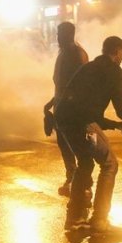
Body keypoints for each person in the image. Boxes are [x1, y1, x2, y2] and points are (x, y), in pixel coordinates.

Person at [55, 36, 122, 234]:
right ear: (117, 51)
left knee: (85, 163)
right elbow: (121, 107)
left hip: (64, 119)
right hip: (81, 123)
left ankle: (74, 218)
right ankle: (100, 220)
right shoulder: (114, 71)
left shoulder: (88, 68)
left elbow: (90, 111)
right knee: (110, 164)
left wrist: (117, 125)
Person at [43, 22, 89, 196]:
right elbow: (61, 85)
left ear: (69, 35)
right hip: (61, 108)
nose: (57, 37)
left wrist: (70, 105)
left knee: (77, 147)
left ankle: (83, 184)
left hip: (72, 110)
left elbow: (80, 84)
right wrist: (52, 103)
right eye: (57, 34)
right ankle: (72, 178)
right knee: (64, 145)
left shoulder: (77, 54)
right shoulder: (63, 54)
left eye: (60, 34)